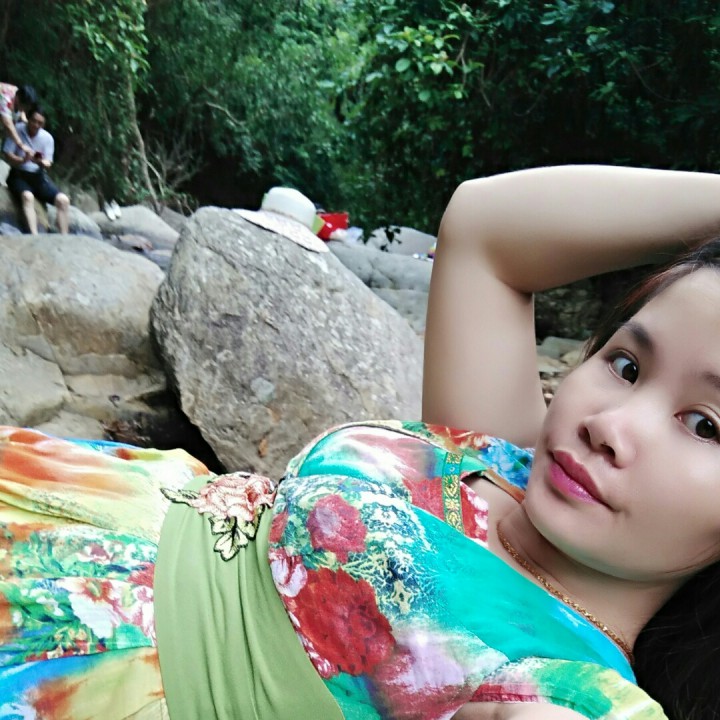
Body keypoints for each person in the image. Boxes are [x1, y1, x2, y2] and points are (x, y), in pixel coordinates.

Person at [2, 165, 720, 719]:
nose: (610, 425)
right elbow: (485, 226)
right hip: (63, 500)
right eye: (627, 366)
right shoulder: (507, 454)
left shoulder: (588, 694)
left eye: (705, 425)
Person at [2, 105, 70, 234]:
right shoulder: (16, 130)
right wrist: (23, 160)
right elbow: (8, 155)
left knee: (63, 200)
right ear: (28, 118)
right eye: (34, 121)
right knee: (28, 197)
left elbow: (48, 162)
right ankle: (34, 236)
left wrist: (40, 162)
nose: (36, 125)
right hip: (18, 175)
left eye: (40, 123)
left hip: (38, 176)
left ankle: (65, 237)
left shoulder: (47, 138)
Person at [0, 83, 37, 155]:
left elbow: (21, 111)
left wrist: (25, 121)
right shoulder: (5, 99)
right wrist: (21, 145)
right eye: (24, 106)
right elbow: (8, 124)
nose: (25, 109)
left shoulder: (18, 92)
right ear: (17, 99)